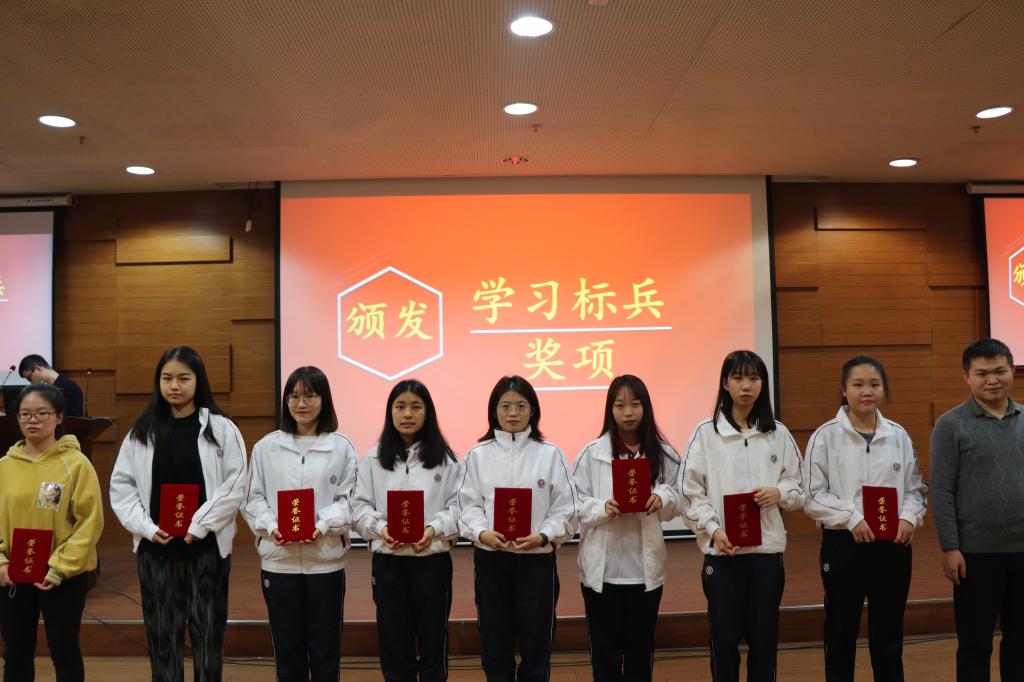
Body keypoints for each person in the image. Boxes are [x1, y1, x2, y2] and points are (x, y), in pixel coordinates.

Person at [109, 346, 247, 682]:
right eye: (167, 378)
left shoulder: (221, 428)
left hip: (206, 548)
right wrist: (146, 527)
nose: (174, 386)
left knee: (208, 636)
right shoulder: (142, 430)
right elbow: (122, 486)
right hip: (157, 549)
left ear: (198, 381)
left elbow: (236, 482)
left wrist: (200, 524)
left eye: (184, 378)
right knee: (162, 638)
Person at [680, 349, 803, 682]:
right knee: (724, 640)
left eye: (754, 378)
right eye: (738, 378)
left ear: (763, 384)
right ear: (725, 383)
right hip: (724, 553)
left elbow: (799, 486)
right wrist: (713, 530)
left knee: (764, 640)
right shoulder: (705, 433)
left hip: (767, 554)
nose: (746, 385)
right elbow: (689, 492)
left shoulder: (778, 433)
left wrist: (779, 493)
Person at [803, 356, 928, 681]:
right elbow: (812, 495)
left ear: (884, 389)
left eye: (874, 384)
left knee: (889, 635)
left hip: (892, 546)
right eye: (858, 384)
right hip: (845, 544)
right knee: (840, 632)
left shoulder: (898, 435)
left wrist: (909, 517)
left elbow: (916, 489)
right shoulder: (825, 436)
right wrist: (851, 517)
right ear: (844, 389)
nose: (867, 391)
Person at [457, 375, 576, 682]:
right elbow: (466, 505)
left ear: (533, 410)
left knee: (537, 640)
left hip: (536, 560)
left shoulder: (550, 454)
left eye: (521, 406)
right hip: (491, 559)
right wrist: (481, 533)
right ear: (493, 411)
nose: (513, 413)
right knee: (495, 638)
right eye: (505, 406)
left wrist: (544, 536)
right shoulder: (477, 455)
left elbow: (565, 508)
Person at [243, 366, 358, 682]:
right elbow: (252, 499)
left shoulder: (341, 447)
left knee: (325, 651)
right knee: (288, 652)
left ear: (324, 399)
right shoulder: (266, 447)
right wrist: (271, 526)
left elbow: (351, 500)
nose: (301, 404)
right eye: (293, 396)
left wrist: (323, 524)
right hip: (279, 563)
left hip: (325, 563)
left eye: (310, 396)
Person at [571, 374, 682, 682]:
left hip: (643, 571)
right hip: (603, 571)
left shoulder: (664, 453)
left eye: (635, 404)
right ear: (610, 410)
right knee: (604, 654)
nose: (628, 412)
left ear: (646, 407)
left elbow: (683, 496)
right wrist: (600, 508)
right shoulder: (592, 453)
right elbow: (572, 501)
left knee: (639, 653)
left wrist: (663, 497)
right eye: (620, 405)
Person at [351, 379, 463, 682]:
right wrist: (380, 528)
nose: (407, 414)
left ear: (428, 412)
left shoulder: (447, 459)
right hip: (389, 563)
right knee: (394, 644)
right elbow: (358, 506)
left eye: (416, 406)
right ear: (390, 412)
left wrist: (434, 528)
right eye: (400, 406)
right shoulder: (373, 458)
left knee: (433, 642)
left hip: (432, 562)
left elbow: (460, 507)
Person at [931, 337, 1024, 682]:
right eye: (982, 373)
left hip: (1023, 551)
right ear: (966, 377)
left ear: (1012, 371)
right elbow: (941, 490)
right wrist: (950, 547)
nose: (992, 380)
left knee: (1021, 644)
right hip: (974, 554)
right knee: (974, 645)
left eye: (1000, 371)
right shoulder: (950, 425)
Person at [0, 383, 103, 682]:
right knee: (15, 654)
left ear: (58, 417)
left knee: (65, 652)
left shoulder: (76, 464)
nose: (32, 420)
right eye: (25, 414)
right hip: (13, 574)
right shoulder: (4, 466)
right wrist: (1, 561)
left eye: (41, 413)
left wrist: (60, 567)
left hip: (62, 576)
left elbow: (90, 522)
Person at [17, 355, 84, 418]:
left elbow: (74, 419)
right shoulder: (46, 389)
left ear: (38, 369)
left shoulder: (69, 387)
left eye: (29, 377)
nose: (30, 382)